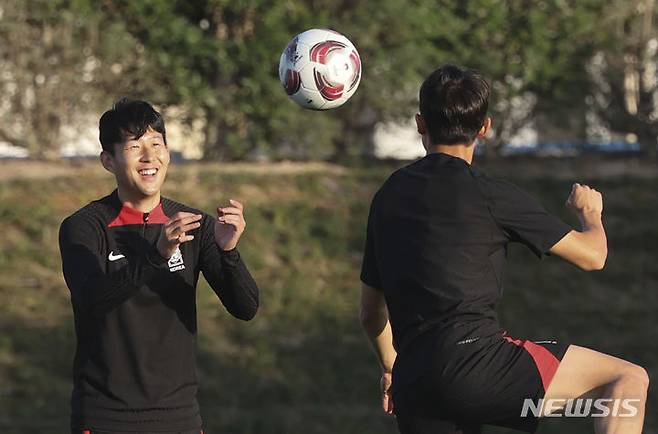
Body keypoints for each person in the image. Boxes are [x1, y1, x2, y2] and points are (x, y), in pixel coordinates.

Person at [359, 65, 649, 434]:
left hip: (415, 382)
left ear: (420, 123)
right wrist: (591, 214)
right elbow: (593, 256)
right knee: (626, 381)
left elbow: (370, 312)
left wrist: (390, 368)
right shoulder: (491, 194)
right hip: (480, 367)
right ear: (485, 127)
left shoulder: (387, 197)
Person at [59, 98, 259, 434]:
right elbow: (93, 300)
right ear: (108, 160)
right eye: (135, 146)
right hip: (106, 418)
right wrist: (157, 254)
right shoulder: (84, 227)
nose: (149, 157)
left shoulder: (195, 225)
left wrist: (228, 252)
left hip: (178, 418)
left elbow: (246, 307)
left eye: (156, 143)